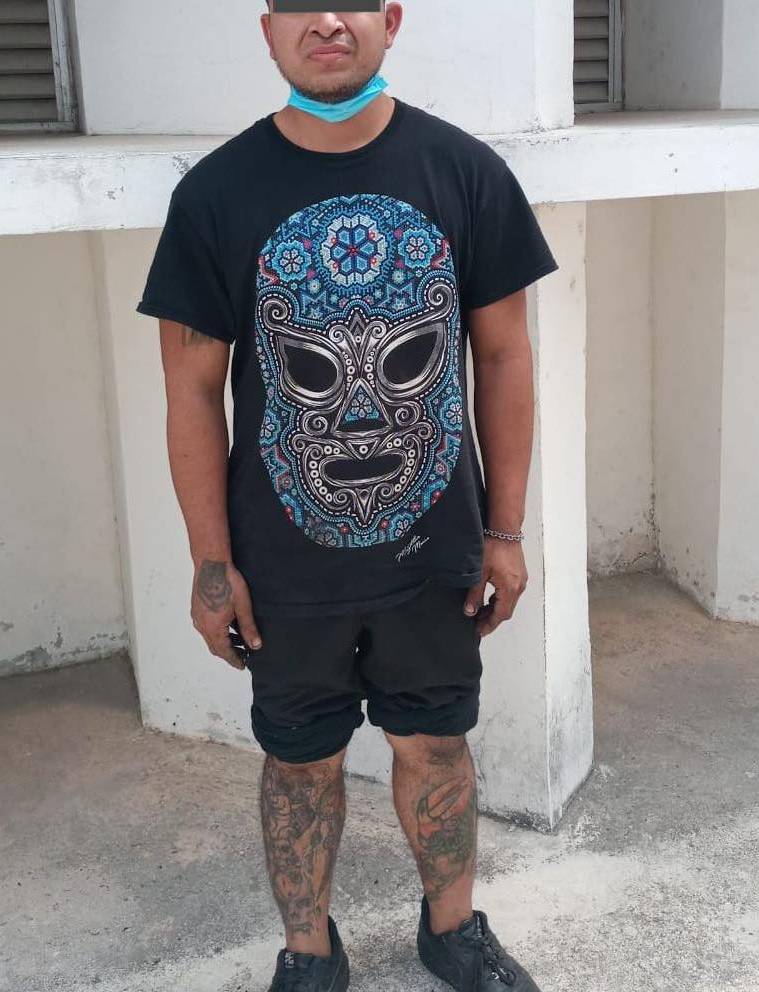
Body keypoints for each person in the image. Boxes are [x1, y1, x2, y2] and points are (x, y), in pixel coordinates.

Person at [136, 3, 558, 989]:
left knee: (436, 742)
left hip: (434, 553)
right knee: (299, 761)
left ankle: (450, 930)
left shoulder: (466, 174)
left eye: (350, 1)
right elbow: (191, 393)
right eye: (300, 3)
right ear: (267, 29)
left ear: (389, 19)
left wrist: (504, 531)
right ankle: (310, 951)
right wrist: (211, 564)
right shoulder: (215, 195)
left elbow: (504, 357)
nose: (326, 20)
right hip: (283, 566)